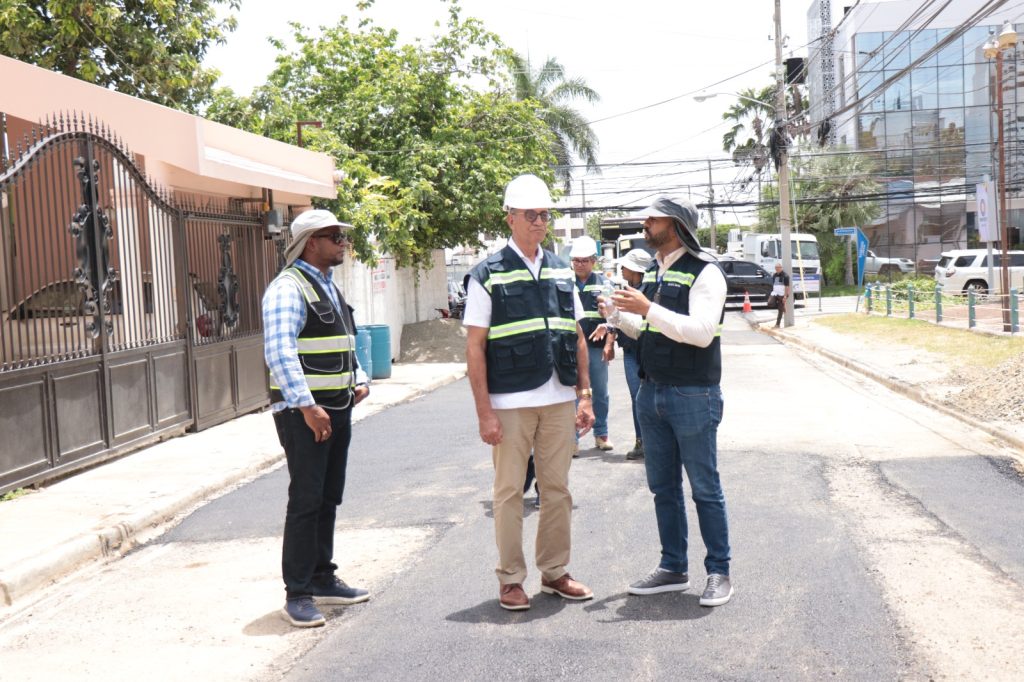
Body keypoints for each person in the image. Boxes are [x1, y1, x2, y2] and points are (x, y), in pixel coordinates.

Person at [464, 173, 596, 611]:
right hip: (512, 402)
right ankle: (511, 579)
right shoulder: (488, 273)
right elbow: (475, 348)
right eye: (531, 215)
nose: (540, 222)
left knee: (557, 490)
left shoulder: (561, 269)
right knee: (508, 493)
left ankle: (555, 572)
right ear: (511, 218)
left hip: (558, 398)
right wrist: (485, 412)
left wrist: (585, 394)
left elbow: (575, 335)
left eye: (545, 215)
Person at [601, 195, 733, 607]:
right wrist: (618, 316)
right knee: (663, 488)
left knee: (704, 489)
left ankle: (719, 572)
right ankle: (674, 567)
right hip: (652, 391)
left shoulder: (706, 272)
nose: (646, 222)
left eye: (653, 218)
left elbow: (701, 332)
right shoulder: (660, 272)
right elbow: (650, 330)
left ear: (674, 224)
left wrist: (648, 307)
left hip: (693, 394)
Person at [263, 209, 371, 628]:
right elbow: (280, 351)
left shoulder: (327, 287)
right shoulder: (287, 288)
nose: (342, 244)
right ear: (311, 242)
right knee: (306, 499)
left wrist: (359, 377)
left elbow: (346, 338)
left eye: (342, 237)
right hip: (304, 413)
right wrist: (306, 406)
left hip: (336, 407)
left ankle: (323, 577)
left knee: (329, 495)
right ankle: (299, 593)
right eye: (334, 237)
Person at [570, 235, 614, 451]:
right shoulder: (565, 283)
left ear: (593, 261)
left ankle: (601, 434)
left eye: (584, 260)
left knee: (601, 393)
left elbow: (614, 317)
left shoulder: (604, 284)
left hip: (596, 348)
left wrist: (609, 344)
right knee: (572, 394)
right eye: (576, 260)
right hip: (571, 349)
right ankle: (573, 439)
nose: (579, 264)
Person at [613, 249, 654, 460]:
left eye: (626, 266)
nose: (622, 269)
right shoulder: (627, 289)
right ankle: (641, 442)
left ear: (637, 271)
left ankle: (652, 442)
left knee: (646, 396)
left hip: (646, 350)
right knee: (636, 397)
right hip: (629, 350)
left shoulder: (650, 291)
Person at [771, 262, 791, 328]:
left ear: (781, 268)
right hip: (775, 294)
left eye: (778, 268)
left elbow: (787, 287)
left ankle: (777, 324)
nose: (776, 269)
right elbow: (774, 285)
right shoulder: (774, 275)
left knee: (780, 309)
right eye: (775, 268)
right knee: (770, 303)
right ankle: (782, 306)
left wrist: (785, 296)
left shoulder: (785, 276)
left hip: (782, 294)